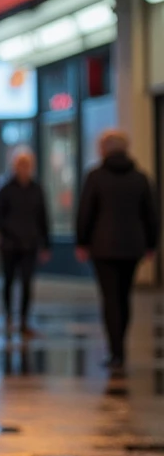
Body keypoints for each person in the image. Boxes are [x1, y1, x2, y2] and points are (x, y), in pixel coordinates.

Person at [76, 128, 159, 373]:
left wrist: (82, 242)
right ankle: (119, 345)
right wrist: (152, 244)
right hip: (132, 246)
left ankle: (116, 351)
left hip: (103, 247)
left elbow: (85, 213)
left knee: (110, 298)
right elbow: (152, 215)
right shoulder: (140, 178)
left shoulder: (95, 177)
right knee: (124, 296)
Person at [0, 147, 50, 337]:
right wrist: (5, 232)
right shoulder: (6, 189)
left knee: (27, 282)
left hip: (30, 244)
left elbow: (43, 216)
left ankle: (24, 320)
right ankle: (9, 316)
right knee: (8, 281)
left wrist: (45, 243)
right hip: (10, 244)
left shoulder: (36, 189)